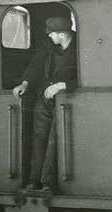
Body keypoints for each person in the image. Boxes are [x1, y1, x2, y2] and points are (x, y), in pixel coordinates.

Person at [12, 15, 78, 192]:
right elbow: (36, 64)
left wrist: (63, 85)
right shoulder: (49, 47)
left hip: (67, 102)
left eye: (52, 33)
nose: (49, 36)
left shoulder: (81, 46)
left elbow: (90, 74)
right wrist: (25, 83)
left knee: (55, 140)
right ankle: (34, 180)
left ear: (62, 35)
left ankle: (48, 182)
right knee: (39, 138)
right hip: (45, 99)